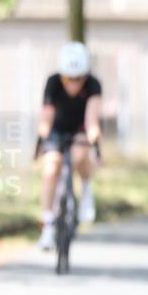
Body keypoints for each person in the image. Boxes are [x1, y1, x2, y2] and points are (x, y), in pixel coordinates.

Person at [35, 42, 102, 250]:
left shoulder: (93, 85)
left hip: (80, 128)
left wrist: (96, 145)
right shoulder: (53, 82)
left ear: (85, 76)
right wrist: (40, 143)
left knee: (79, 156)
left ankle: (86, 188)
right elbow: (46, 116)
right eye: (68, 79)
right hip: (58, 128)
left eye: (78, 79)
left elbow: (92, 120)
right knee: (51, 168)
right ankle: (47, 226)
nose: (73, 84)